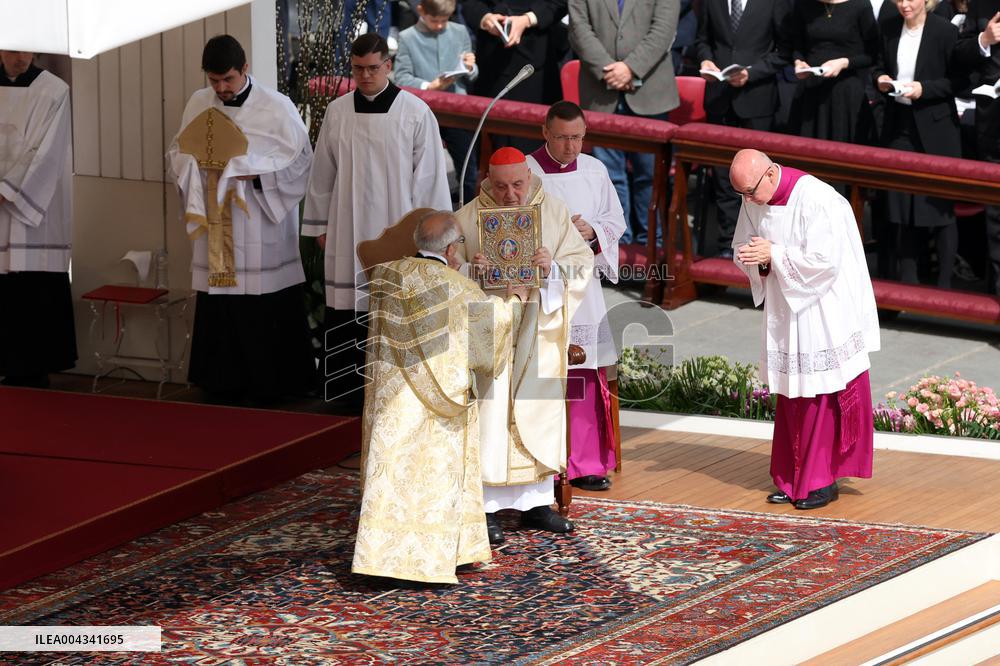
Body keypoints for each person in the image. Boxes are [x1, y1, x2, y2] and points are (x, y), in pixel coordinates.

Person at [354, 211, 528, 584]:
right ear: (452, 249)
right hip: (437, 405)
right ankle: (433, 558)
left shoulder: (385, 276)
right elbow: (486, 342)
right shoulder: (459, 288)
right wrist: (515, 300)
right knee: (432, 475)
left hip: (391, 402)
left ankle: (380, 557)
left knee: (394, 474)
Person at [303, 33, 451, 408]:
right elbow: (323, 172)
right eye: (358, 69)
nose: (365, 76)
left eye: (372, 68)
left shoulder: (415, 113)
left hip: (399, 231)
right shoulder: (337, 112)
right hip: (346, 229)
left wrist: (428, 240)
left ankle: (395, 401)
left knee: (393, 312)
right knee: (348, 309)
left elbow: (430, 178)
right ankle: (345, 399)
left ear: (388, 65)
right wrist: (320, 226)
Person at [453, 147, 594, 543]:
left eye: (518, 185)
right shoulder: (467, 217)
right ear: (488, 180)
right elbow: (445, 273)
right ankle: (486, 509)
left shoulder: (553, 211)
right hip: (490, 335)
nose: (511, 195)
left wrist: (553, 270)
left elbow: (581, 264)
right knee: (491, 414)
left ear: (529, 178)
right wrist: (470, 271)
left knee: (536, 409)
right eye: (501, 186)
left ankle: (535, 504)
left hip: (537, 327)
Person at [167, 35, 316, 404]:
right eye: (214, 81)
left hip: (257, 220)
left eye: (228, 80)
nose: (221, 89)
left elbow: (300, 161)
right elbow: (177, 151)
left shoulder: (277, 106)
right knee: (220, 300)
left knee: (261, 300)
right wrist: (193, 165)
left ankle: (271, 385)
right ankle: (221, 381)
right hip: (216, 219)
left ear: (245, 69)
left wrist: (258, 174)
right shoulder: (199, 103)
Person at [729, 149, 880, 509]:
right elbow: (742, 246)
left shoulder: (818, 199)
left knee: (819, 391)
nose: (748, 201)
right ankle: (792, 477)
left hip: (822, 307)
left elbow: (825, 263)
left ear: (769, 174)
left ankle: (822, 480)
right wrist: (756, 261)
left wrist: (773, 255)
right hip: (785, 306)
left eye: (750, 191)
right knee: (792, 391)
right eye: (742, 195)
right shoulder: (752, 197)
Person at [525, 101, 625, 492]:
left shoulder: (595, 169)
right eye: (564, 138)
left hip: (584, 292)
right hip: (541, 288)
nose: (571, 147)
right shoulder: (526, 172)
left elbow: (616, 221)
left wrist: (593, 233)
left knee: (584, 373)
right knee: (544, 372)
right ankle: (542, 465)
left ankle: (585, 463)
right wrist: (559, 235)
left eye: (578, 138)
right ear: (545, 133)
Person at [569, 0, 681, 246]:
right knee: (608, 177)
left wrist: (631, 68)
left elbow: (663, 29)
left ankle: (650, 246)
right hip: (600, 93)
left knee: (649, 175)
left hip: (649, 93)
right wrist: (608, 71)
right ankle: (615, 243)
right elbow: (579, 28)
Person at [874, 0, 964, 287]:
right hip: (899, 125)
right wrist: (881, 79)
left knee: (939, 208)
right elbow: (878, 65)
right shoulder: (888, 27)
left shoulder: (945, 32)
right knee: (901, 206)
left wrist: (924, 89)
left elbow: (959, 81)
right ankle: (908, 282)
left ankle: (945, 284)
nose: (904, 5)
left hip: (936, 129)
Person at [0, 51, 76, 388]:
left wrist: (8, 189)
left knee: (32, 289)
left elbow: (48, 152)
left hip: (32, 211)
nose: (21, 57)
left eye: (27, 49)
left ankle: (35, 368)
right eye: (13, 49)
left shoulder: (54, 91)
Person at [695, 0, 792, 256]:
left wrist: (753, 72)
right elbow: (702, 39)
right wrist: (706, 61)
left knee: (759, 180)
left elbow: (784, 51)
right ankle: (728, 245)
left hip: (757, 100)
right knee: (723, 176)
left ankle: (760, 245)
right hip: (719, 99)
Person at [392, 0, 480, 202]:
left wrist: (470, 67)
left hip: (458, 109)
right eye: (434, 20)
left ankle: (467, 208)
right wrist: (429, 86)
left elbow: (472, 74)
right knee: (422, 168)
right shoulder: (408, 37)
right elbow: (402, 77)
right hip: (423, 110)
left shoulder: (459, 31)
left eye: (444, 20)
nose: (440, 25)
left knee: (468, 167)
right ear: (421, 11)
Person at [790, 0, 880, 145]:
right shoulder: (803, 4)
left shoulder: (860, 5)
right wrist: (798, 62)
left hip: (846, 92)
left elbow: (873, 54)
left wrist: (844, 63)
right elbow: (797, 46)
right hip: (812, 89)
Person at [955, 3, 1000, 294]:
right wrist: (984, 40)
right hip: (994, 127)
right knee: (997, 223)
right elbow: (958, 54)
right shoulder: (982, 4)